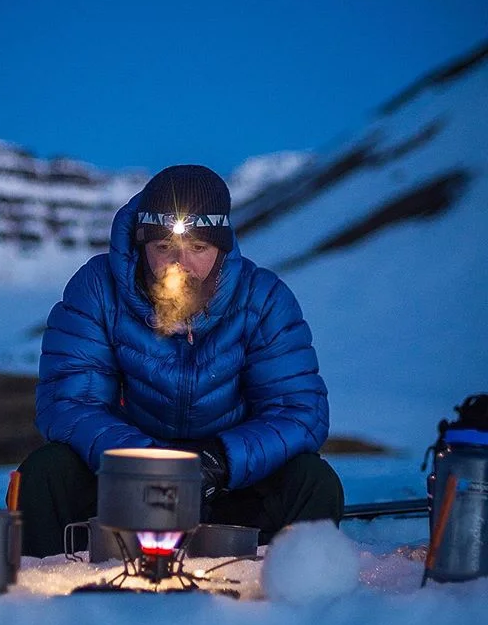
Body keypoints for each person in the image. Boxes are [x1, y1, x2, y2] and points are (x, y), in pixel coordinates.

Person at [17, 164, 344, 557]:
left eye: (199, 248)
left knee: (313, 481)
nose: (180, 263)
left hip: (229, 483)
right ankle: (48, 596)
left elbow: (299, 410)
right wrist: (150, 465)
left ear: (222, 247)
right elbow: (70, 403)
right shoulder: (97, 289)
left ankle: (290, 598)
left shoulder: (264, 299)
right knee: (47, 472)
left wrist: (220, 462)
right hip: (125, 484)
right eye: (163, 247)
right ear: (141, 244)